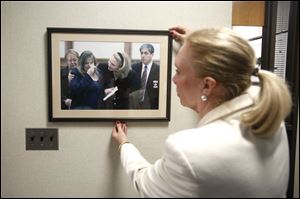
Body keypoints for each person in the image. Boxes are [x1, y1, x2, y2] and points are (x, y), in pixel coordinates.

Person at [111, 26, 292, 197]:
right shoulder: (266, 104)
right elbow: (234, 64)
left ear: (207, 85)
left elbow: (145, 183)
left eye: (179, 71)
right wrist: (197, 45)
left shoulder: (188, 151)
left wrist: (124, 144)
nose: (173, 79)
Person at [131, 43, 160, 109]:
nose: (143, 55)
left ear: (152, 54)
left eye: (146, 53)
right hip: (135, 105)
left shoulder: (159, 70)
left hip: (151, 106)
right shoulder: (134, 68)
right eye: (141, 53)